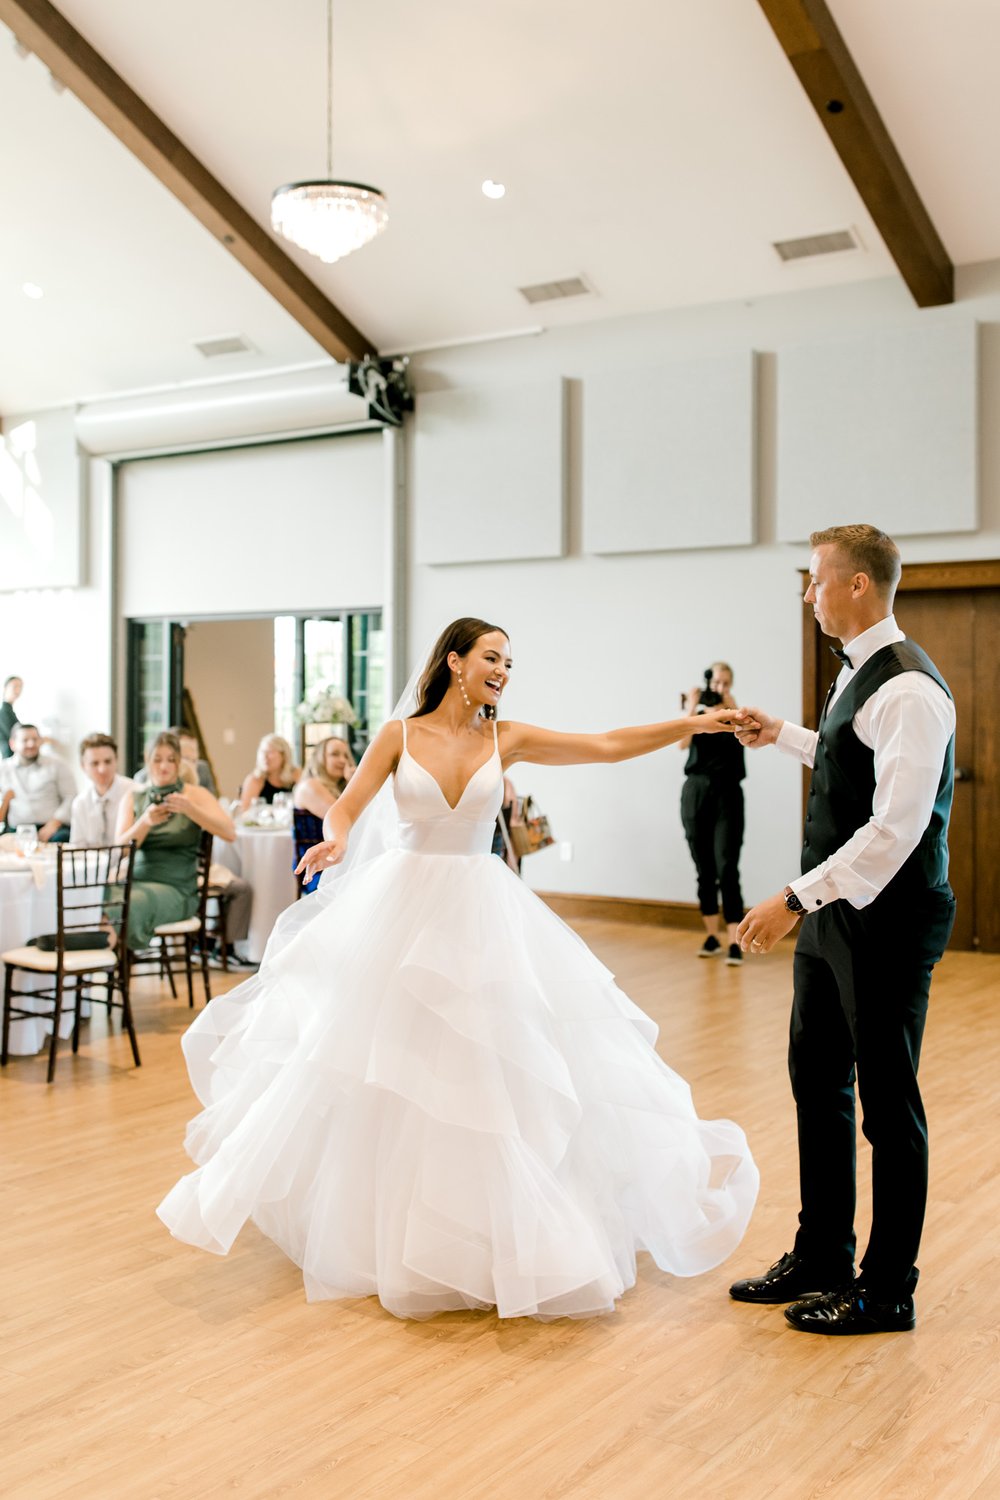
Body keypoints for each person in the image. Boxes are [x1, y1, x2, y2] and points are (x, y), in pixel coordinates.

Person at [158, 617, 759, 1321]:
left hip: (483, 911)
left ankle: (491, 1234)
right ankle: (390, 1235)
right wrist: (336, 842)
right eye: (493, 657)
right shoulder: (399, 736)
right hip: (401, 911)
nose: (504, 669)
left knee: (489, 1068)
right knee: (392, 1065)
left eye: (510, 661)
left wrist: (699, 724)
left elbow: (604, 746)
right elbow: (347, 810)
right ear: (456, 661)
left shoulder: (508, 738)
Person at [728, 525, 956, 1337]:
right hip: (837, 918)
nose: (807, 594)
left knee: (890, 1109)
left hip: (887, 923)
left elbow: (893, 832)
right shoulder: (859, 680)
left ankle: (886, 1290)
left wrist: (792, 899)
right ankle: (823, 1252)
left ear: (858, 585)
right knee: (817, 1081)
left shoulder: (910, 691)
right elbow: (847, 760)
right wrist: (781, 735)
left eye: (815, 580)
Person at [112, 731, 236, 951]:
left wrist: (191, 809)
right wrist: (145, 822)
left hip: (178, 888)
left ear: (179, 763)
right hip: (136, 881)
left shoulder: (195, 794)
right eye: (157, 760)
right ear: (148, 761)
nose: (164, 767)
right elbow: (120, 850)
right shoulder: (134, 797)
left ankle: (112, 967)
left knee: (126, 906)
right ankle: (109, 960)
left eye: (171, 760)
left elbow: (229, 832)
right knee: (101, 899)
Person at [677, 662, 746, 965]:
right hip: (696, 793)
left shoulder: (735, 715)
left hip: (728, 794)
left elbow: (751, 740)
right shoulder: (698, 715)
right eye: (716, 682)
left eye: (725, 683)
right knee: (704, 867)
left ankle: (734, 941)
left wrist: (735, 709)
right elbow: (681, 743)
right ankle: (711, 936)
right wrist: (692, 707)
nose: (719, 688)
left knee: (726, 865)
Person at [0, 723, 76, 840]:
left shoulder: (57, 764)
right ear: (12, 744)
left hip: (53, 827)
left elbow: (71, 797)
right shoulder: (3, 769)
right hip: (17, 830)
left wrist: (54, 823)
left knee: (62, 837)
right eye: (25, 740)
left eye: (35, 739)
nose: (31, 744)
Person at [69, 733, 133, 845]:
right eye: (95, 763)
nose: (102, 769)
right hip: (91, 862)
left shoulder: (135, 792)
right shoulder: (80, 803)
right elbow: (77, 848)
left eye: (108, 762)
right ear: (83, 766)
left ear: (116, 760)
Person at [134, 727, 217, 795]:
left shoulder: (202, 769)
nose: (164, 766)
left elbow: (213, 800)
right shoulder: (142, 781)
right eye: (186, 758)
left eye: (194, 760)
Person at [292, 736, 355, 820]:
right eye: (335, 754)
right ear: (319, 758)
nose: (342, 760)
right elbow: (342, 819)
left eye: (346, 756)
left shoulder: (340, 787)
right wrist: (354, 783)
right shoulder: (309, 786)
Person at [238, 734, 299, 811]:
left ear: (283, 755)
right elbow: (245, 813)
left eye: (270, 752)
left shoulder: (296, 774)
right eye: (262, 752)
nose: (264, 756)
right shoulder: (255, 779)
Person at [0, 675, 22, 759]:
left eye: (20, 687)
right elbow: (16, 736)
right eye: (15, 686)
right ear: (5, 688)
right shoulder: (3, 712)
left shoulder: (10, 711)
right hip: (10, 759)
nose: (18, 690)